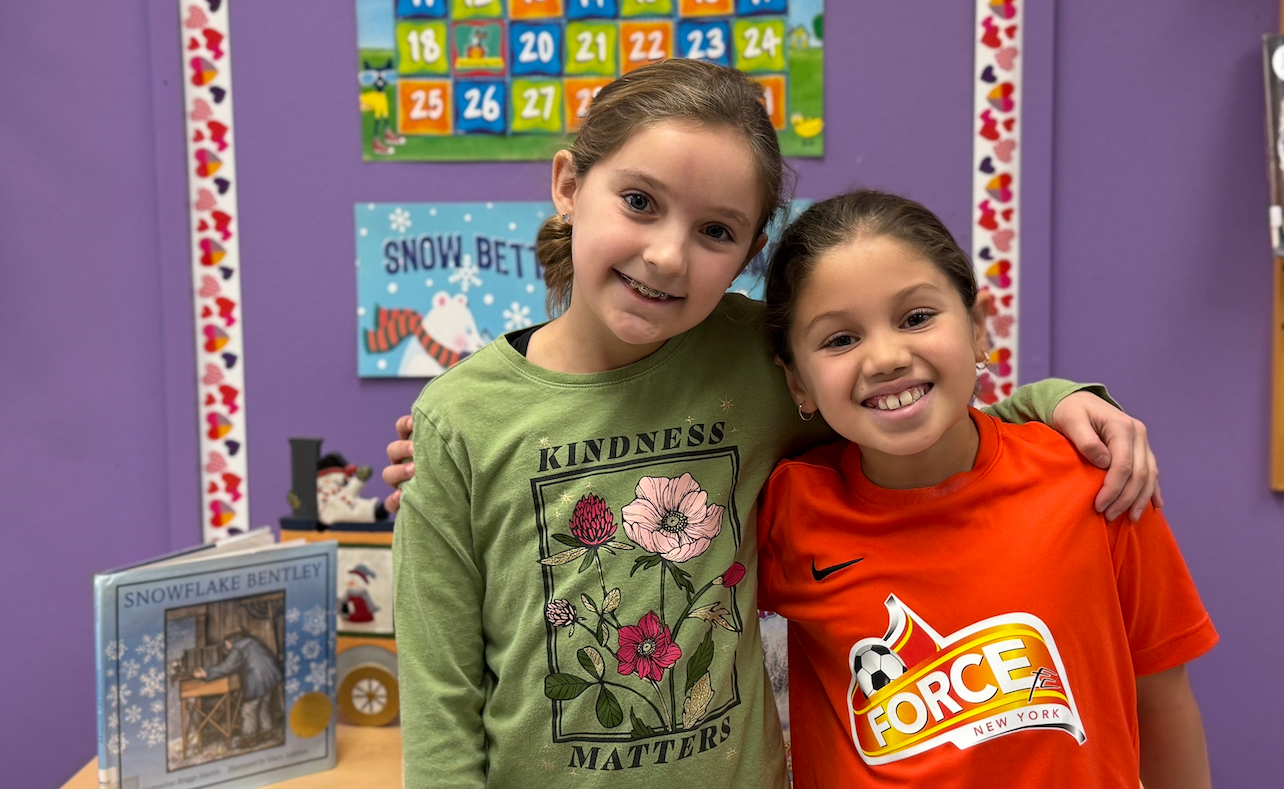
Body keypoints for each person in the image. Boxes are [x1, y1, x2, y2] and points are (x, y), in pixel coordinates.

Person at [390, 58, 1161, 789]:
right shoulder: (460, 421)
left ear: (749, 253)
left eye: (715, 231)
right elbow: (440, 703)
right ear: (568, 185)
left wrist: (1051, 401)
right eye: (640, 202)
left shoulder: (759, 360)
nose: (667, 255)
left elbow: (914, 406)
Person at [756, 191, 1214, 788]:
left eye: (916, 318)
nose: (886, 357)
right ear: (797, 381)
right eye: (840, 340)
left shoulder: (1096, 482)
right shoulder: (785, 509)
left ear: (978, 328)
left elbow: (1163, 702)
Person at [193, 630, 284, 750]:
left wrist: (206, 673)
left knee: (248, 709)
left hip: (257, 679)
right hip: (271, 676)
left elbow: (227, 667)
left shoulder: (238, 647)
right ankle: (267, 731)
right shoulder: (251, 642)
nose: (227, 648)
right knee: (263, 705)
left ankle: (250, 737)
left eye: (227, 645)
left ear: (231, 642)